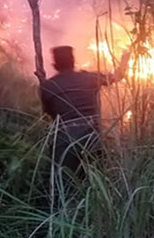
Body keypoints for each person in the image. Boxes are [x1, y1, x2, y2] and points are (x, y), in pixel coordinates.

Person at [39, 46, 128, 176]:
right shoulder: (89, 77)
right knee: (96, 180)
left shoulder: (47, 86)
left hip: (64, 139)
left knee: (63, 183)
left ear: (54, 65)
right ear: (73, 61)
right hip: (91, 135)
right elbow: (117, 76)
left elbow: (49, 114)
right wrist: (125, 58)